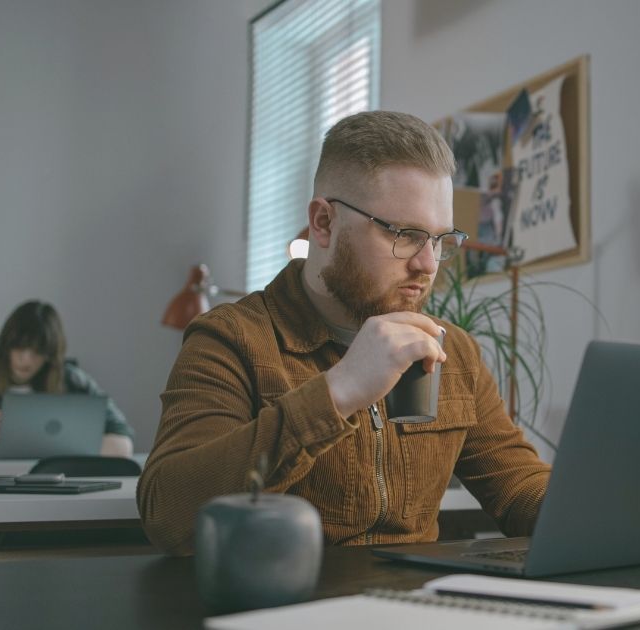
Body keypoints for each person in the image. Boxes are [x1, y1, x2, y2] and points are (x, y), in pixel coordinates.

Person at [138, 111, 551, 555]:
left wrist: (609, 516)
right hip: (286, 606)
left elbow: (518, 485)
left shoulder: (455, 352)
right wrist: (338, 392)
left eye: (439, 239)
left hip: (413, 607)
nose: (428, 264)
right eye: (405, 234)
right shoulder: (232, 339)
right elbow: (169, 514)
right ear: (323, 223)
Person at [0, 300, 134, 457]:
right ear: (5, 346)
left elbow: (123, 445)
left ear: (50, 355)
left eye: (37, 351)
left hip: (57, 487)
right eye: (18, 347)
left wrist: (58, 445)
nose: (25, 359)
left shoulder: (72, 380)